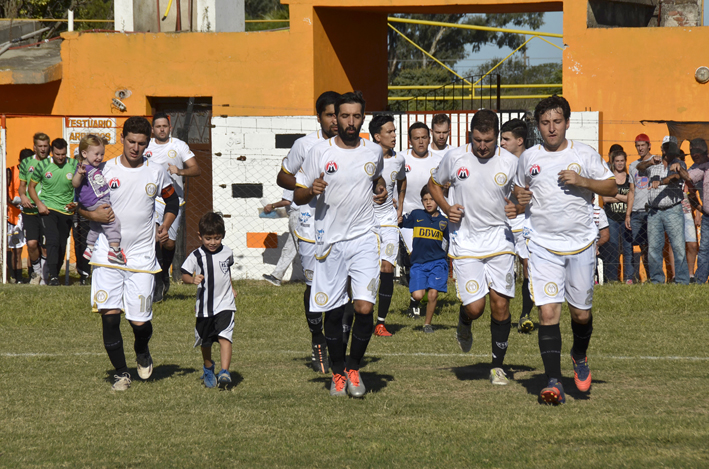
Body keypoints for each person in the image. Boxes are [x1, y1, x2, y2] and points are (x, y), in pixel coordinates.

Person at [514, 95, 617, 404]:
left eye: (557, 122)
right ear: (538, 126)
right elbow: (520, 192)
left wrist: (583, 180)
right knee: (548, 313)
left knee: (581, 315)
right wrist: (519, 201)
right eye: (545, 123)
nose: (551, 128)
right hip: (544, 245)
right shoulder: (528, 157)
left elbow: (612, 187)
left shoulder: (584, 154)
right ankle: (553, 381)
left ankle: (579, 354)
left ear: (567, 123)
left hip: (582, 244)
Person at [294, 91, 387, 397]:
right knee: (333, 313)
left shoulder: (373, 152)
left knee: (363, 307)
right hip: (329, 242)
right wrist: (311, 190)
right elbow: (298, 195)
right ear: (336, 116)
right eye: (344, 116)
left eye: (356, 116)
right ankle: (337, 374)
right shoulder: (319, 152)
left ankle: (354, 369)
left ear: (363, 117)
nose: (349, 122)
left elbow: (376, 180)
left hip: (363, 239)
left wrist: (382, 189)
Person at [79, 116, 179, 391]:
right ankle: (121, 373)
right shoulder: (103, 170)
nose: (135, 148)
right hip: (106, 253)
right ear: (122, 139)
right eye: (131, 141)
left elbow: (172, 200)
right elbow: (77, 204)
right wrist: (91, 213)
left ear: (147, 144)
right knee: (109, 316)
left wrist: (166, 226)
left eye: (141, 143)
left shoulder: (156, 171)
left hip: (142, 256)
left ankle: (142, 349)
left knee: (140, 323)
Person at [430, 109, 519, 386]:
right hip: (466, 242)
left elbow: (525, 195)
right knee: (476, 308)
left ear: (497, 138)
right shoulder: (455, 157)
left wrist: (520, 205)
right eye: (478, 140)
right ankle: (464, 321)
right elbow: (433, 184)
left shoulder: (512, 162)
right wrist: (446, 208)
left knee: (500, 305)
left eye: (489, 141)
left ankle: (497, 367)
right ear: (470, 135)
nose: (482, 146)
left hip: (500, 241)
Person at [276, 91, 340, 374]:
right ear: (319, 117)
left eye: (339, 114)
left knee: (344, 286)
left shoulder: (353, 146)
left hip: (342, 225)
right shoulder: (305, 144)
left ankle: (340, 343)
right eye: (329, 115)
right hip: (310, 224)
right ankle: (318, 342)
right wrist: (304, 186)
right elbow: (282, 176)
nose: (336, 121)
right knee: (314, 286)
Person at [146, 112, 202, 302]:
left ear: (170, 128)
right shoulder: (145, 146)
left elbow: (196, 168)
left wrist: (180, 171)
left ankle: (164, 274)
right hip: (151, 200)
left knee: (168, 242)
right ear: (153, 129)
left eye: (164, 126)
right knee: (155, 239)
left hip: (172, 200)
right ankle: (157, 282)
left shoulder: (179, 145)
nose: (161, 129)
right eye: (158, 126)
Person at [181, 212, 237, 389]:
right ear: (200, 236)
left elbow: (226, 272)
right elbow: (184, 275)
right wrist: (192, 280)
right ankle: (208, 367)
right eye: (208, 238)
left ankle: (225, 372)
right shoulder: (196, 256)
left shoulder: (228, 252)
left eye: (217, 238)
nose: (213, 242)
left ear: (223, 235)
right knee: (205, 342)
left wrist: (231, 287)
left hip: (225, 303)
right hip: (204, 308)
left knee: (225, 336)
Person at [369, 114, 406, 336]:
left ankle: (381, 322)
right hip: (367, 223)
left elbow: (402, 180)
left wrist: (399, 206)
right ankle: (363, 314)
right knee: (369, 270)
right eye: (389, 132)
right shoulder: (365, 158)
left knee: (387, 268)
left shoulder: (399, 159)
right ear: (377, 136)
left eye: (394, 131)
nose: (394, 135)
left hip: (390, 222)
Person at [402, 122, 443, 316]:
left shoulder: (440, 161)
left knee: (431, 259)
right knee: (415, 259)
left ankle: (422, 298)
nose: (421, 141)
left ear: (430, 138)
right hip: (410, 220)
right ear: (410, 140)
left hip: (433, 220)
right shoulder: (401, 159)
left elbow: (445, 188)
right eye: (416, 138)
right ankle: (415, 301)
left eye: (424, 137)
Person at [500, 118, 534, 332]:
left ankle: (526, 315)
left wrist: (520, 205)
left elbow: (534, 196)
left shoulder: (531, 163)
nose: (501, 143)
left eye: (506, 139)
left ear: (520, 140)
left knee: (528, 267)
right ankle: (503, 315)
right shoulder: (498, 161)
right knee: (503, 269)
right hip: (502, 222)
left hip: (525, 223)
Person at [28, 138, 78, 286]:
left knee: (62, 244)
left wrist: (76, 203)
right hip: (48, 209)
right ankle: (54, 276)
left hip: (67, 211)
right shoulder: (43, 165)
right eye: (57, 154)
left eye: (63, 154)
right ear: (52, 152)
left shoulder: (74, 165)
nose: (60, 157)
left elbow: (83, 186)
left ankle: (55, 273)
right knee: (53, 240)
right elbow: (31, 187)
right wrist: (39, 204)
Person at [399, 186, 449, 333]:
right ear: (421, 201)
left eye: (432, 199)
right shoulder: (416, 215)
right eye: (425, 199)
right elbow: (400, 221)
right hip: (418, 263)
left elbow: (452, 239)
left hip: (437, 262)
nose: (428, 202)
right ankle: (416, 301)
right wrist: (396, 210)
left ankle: (427, 324)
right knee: (418, 294)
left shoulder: (444, 221)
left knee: (433, 293)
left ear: (439, 200)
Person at [639, 141, 689, 284]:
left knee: (678, 246)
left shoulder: (678, 164)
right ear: (661, 148)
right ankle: (657, 280)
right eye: (665, 148)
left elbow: (680, 177)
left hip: (673, 209)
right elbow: (639, 167)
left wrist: (664, 180)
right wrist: (649, 163)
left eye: (671, 149)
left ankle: (682, 280)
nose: (667, 152)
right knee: (654, 248)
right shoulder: (654, 163)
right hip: (654, 211)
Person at [72, 134, 126, 265]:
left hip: (97, 200)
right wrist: (79, 174)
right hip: (95, 201)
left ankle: (90, 248)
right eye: (96, 154)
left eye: (102, 154)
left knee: (96, 226)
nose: (99, 158)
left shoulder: (94, 167)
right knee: (113, 222)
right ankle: (114, 249)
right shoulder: (82, 168)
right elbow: (75, 183)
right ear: (84, 153)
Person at [19, 132, 51, 285]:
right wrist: (23, 196)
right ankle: (36, 273)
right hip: (30, 210)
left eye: (45, 146)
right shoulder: (26, 163)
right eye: (40, 146)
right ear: (35, 147)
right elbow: (22, 187)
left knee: (45, 245)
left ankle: (45, 276)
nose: (43, 149)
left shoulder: (53, 162)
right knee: (31, 243)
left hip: (46, 210)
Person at [600, 150, 634, 283]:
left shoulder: (630, 177)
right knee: (612, 249)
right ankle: (612, 278)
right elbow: (605, 198)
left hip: (627, 218)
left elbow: (632, 197)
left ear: (625, 161)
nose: (620, 163)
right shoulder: (610, 178)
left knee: (628, 249)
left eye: (622, 161)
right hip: (612, 218)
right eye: (617, 161)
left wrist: (614, 195)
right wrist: (625, 198)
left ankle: (629, 278)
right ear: (613, 162)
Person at [679, 138, 709, 283]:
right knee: (703, 250)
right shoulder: (697, 168)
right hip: (708, 216)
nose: (694, 155)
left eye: (697, 153)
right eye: (692, 152)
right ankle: (700, 280)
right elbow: (689, 180)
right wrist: (698, 207)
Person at [628, 134, 654, 282]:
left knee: (652, 247)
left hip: (651, 210)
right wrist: (628, 214)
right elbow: (631, 190)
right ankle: (644, 278)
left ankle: (654, 277)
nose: (640, 148)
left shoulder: (656, 161)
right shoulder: (632, 166)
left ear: (649, 145)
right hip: (636, 211)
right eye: (638, 146)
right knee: (641, 246)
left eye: (643, 145)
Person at [6, 149, 33, 283]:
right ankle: (16, 276)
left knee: (32, 245)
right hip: (13, 217)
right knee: (16, 248)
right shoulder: (10, 171)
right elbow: (4, 194)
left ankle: (31, 275)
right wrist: (14, 203)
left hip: (29, 215)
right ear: (19, 162)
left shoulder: (34, 174)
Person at [262, 189, 299, 286]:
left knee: (297, 247)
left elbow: (287, 201)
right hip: (298, 216)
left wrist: (272, 205)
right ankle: (276, 276)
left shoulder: (290, 182)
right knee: (290, 248)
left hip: (297, 216)